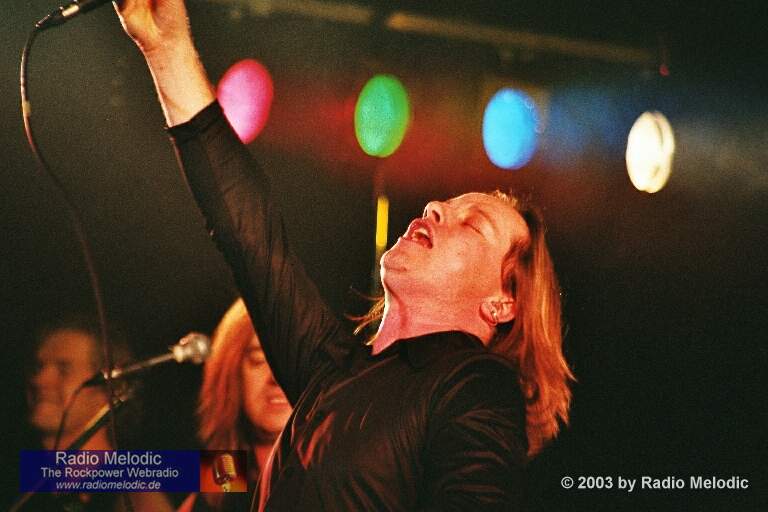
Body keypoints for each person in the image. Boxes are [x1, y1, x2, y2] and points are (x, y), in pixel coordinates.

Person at [116, 1, 574, 509]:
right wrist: (167, 47)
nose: (436, 208)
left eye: (473, 223)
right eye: (443, 204)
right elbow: (249, 236)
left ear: (502, 302)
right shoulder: (319, 383)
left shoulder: (473, 386)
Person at [25, 315, 174, 511]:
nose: (39, 380)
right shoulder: (21, 480)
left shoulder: (132, 496)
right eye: (38, 367)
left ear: (110, 389)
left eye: (63, 370)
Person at [179, 298, 292, 512]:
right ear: (231, 375)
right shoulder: (231, 471)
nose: (276, 378)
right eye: (258, 359)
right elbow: (129, 473)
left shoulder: (339, 466)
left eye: (289, 360)